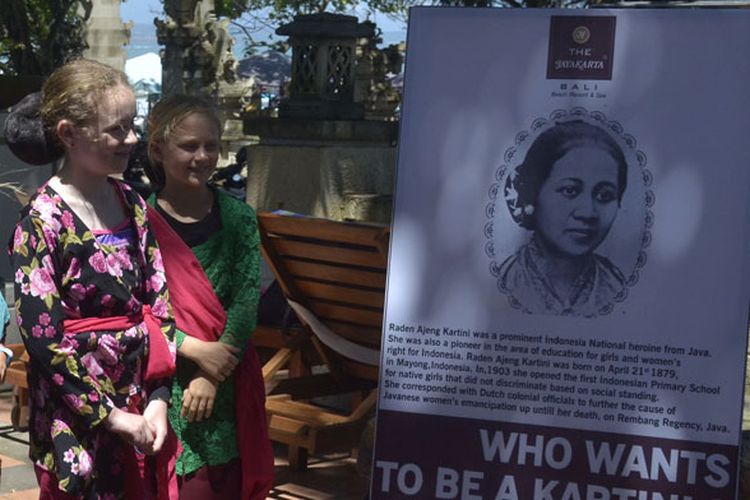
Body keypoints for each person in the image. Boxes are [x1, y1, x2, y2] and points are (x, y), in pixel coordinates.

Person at [7, 59, 176, 498]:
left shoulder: (133, 204)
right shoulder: (41, 222)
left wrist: (158, 399)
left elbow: (159, 303)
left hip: (139, 402)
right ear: (69, 133)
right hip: (76, 412)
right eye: (117, 129)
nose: (132, 139)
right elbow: (43, 339)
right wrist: (111, 416)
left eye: (132, 124)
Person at [144, 94, 273, 499]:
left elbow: (246, 300)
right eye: (188, 146)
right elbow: (139, 308)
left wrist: (212, 371)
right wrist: (193, 350)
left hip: (229, 379)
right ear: (157, 149)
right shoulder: (138, 224)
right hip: (160, 381)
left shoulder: (239, 220)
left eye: (211, 146)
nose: (202, 156)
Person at [498, 120, 628, 317]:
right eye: (570, 191)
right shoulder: (507, 280)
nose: (588, 213)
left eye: (604, 196)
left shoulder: (615, 286)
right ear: (534, 193)